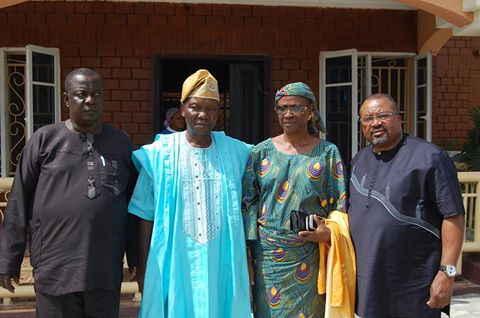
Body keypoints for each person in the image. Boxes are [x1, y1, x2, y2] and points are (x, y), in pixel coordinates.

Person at [0, 68, 138, 318]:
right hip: (56, 267)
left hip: (104, 267)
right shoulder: (45, 140)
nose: (90, 100)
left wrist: (138, 259)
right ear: (66, 100)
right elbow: (18, 201)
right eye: (81, 94)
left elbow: (134, 205)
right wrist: (8, 261)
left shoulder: (120, 143)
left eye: (96, 94)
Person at [128, 69, 252, 317]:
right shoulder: (159, 154)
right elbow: (144, 213)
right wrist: (142, 267)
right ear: (182, 109)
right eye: (195, 107)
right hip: (174, 263)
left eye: (210, 108)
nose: (202, 115)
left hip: (223, 263)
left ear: (219, 113)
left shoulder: (239, 152)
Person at [349, 93, 465, 318]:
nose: (375, 123)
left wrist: (446, 273)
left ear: (399, 118)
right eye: (367, 118)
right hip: (369, 283)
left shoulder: (430, 157)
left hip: (414, 285)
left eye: (383, 115)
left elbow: (454, 217)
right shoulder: (358, 160)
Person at [242, 82, 348, 318]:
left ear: (310, 111)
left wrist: (329, 233)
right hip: (267, 257)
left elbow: (339, 205)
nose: (287, 114)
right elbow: (247, 202)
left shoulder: (327, 153)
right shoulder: (261, 152)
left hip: (310, 253)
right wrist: (248, 251)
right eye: (281, 108)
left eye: (295, 107)